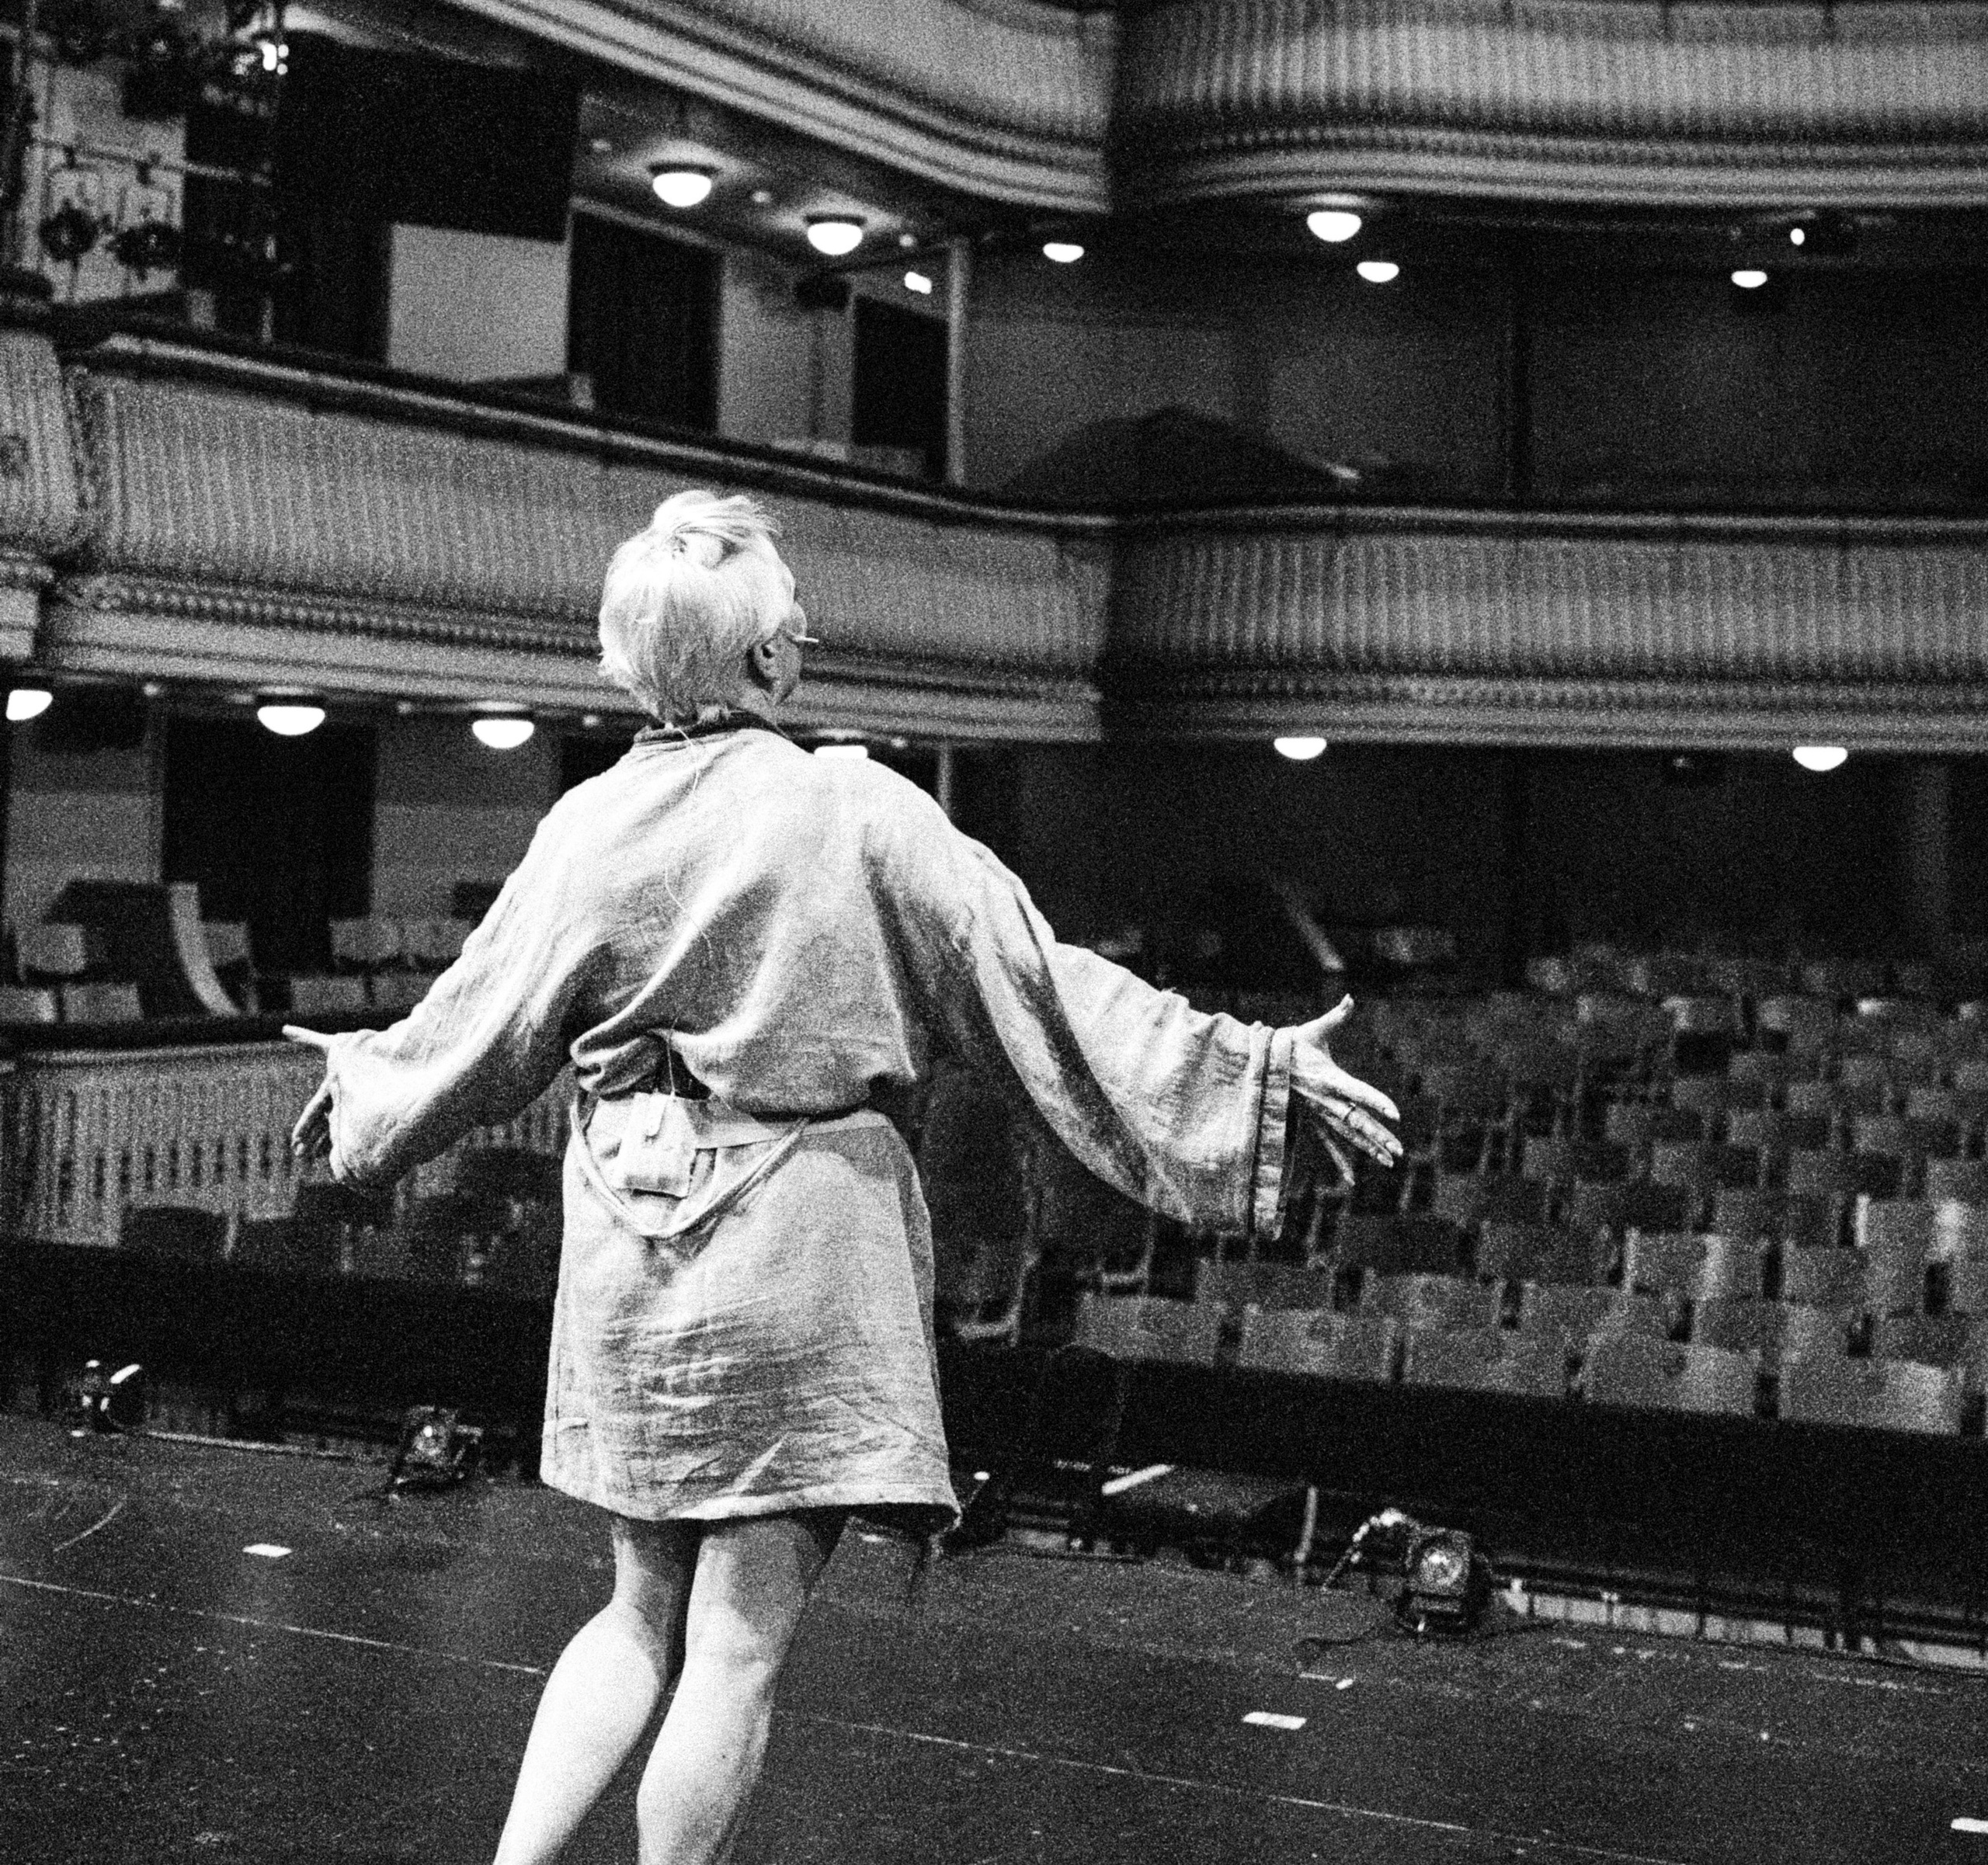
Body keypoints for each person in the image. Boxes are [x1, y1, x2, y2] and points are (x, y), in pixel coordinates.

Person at [287, 489, 1402, 1865]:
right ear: (765, 661)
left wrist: (367, 1087)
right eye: (794, 620)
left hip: (628, 1243)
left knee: (637, 1603)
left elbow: (479, 1025)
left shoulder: (586, 821)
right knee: (738, 1639)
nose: (804, 634)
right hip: (795, 1240)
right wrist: (1252, 1074)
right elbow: (1042, 991)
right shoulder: (853, 808)